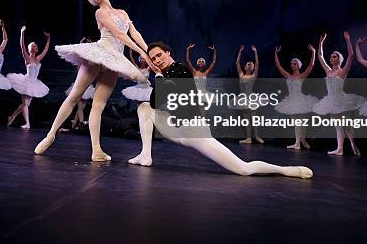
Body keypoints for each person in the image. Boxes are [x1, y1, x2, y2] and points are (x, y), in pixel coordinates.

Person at [128, 41, 313, 178]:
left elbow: (172, 91)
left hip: (195, 132)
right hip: (176, 130)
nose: (157, 60)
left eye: (159, 55)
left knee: (243, 169)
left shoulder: (181, 70)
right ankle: (146, 155)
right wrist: (158, 77)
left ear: (168, 53)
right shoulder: (164, 74)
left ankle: (285, 170)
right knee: (144, 108)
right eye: (153, 59)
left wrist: (160, 79)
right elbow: (154, 103)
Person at [34, 0, 154, 161]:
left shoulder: (122, 12)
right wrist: (142, 53)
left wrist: (149, 51)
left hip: (115, 60)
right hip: (101, 53)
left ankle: (96, 150)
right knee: (74, 95)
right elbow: (119, 35)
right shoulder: (100, 12)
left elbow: (134, 33)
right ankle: (50, 135)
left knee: (99, 105)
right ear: (91, 0)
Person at [312, 32, 364, 156]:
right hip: (331, 100)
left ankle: (352, 144)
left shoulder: (342, 72)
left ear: (339, 59)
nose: (331, 58)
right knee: (337, 125)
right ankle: (340, 148)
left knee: (346, 125)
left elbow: (351, 55)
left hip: (341, 99)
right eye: (331, 57)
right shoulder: (328, 71)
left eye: (334, 56)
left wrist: (347, 39)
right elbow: (319, 55)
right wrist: (321, 42)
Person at [274, 44, 318, 149]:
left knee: (301, 121)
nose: (293, 65)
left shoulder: (301, 76)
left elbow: (311, 65)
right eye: (292, 64)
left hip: (300, 99)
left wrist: (313, 52)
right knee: (298, 121)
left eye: (295, 64)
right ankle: (300, 141)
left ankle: (300, 141)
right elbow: (278, 65)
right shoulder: (288, 76)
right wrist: (276, 53)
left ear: (298, 65)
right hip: (291, 100)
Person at [6, 26, 50, 129]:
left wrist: (48, 38)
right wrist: (22, 32)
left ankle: (11, 117)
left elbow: (46, 49)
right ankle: (27, 123)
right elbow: (22, 45)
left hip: (34, 83)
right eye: (32, 46)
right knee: (25, 105)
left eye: (35, 46)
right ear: (30, 49)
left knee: (25, 105)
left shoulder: (38, 59)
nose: (34, 47)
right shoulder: (27, 58)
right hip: (26, 82)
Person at [231, 45, 263, 144]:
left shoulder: (254, 75)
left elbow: (257, 63)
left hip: (251, 97)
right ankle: (248, 138)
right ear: (245, 66)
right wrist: (240, 51)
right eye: (248, 64)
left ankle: (256, 136)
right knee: (247, 120)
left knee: (254, 118)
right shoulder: (241, 74)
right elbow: (237, 63)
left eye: (251, 64)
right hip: (243, 98)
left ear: (252, 67)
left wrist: (255, 52)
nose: (249, 65)